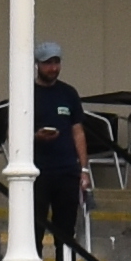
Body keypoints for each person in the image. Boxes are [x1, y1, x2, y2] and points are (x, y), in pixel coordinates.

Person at [31, 41, 90, 249]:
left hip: (67, 171)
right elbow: (14, 132)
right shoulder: (27, 93)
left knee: (65, 231)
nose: (53, 68)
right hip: (36, 171)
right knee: (34, 229)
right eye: (48, 63)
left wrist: (84, 169)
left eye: (56, 62)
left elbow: (78, 131)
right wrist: (36, 136)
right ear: (37, 64)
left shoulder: (68, 93)